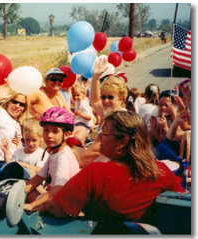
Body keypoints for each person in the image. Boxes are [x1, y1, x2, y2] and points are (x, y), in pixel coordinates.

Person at [43, 111, 185, 222]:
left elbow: (57, 209)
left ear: (122, 142)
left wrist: (36, 204)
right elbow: (184, 204)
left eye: (104, 133)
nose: (99, 139)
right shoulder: (161, 170)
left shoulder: (95, 172)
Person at [23, 107, 80, 211]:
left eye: (55, 131)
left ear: (66, 135)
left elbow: (59, 188)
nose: (49, 135)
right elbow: (38, 178)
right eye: (46, 130)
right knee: (23, 187)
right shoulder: (54, 153)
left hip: (63, 205)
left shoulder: (64, 157)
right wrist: (17, 193)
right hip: (55, 199)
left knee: (34, 204)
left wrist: (32, 205)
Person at [79, 59, 128, 166]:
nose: (105, 101)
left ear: (122, 99)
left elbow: (96, 151)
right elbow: (95, 101)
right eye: (103, 97)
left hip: (112, 166)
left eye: (110, 97)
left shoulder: (119, 119)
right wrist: (95, 77)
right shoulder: (111, 113)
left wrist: (73, 163)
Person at [0, 86, 30, 168]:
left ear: (24, 108)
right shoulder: (0, 113)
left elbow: (18, 146)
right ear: (8, 103)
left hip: (12, 162)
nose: (17, 106)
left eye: (21, 104)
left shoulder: (16, 124)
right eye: (14, 102)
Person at [71, 82, 94, 146]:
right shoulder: (79, 102)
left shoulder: (83, 104)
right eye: (73, 95)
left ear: (84, 94)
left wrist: (81, 114)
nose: (75, 97)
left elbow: (89, 117)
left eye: (78, 95)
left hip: (84, 126)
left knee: (74, 140)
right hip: (79, 124)